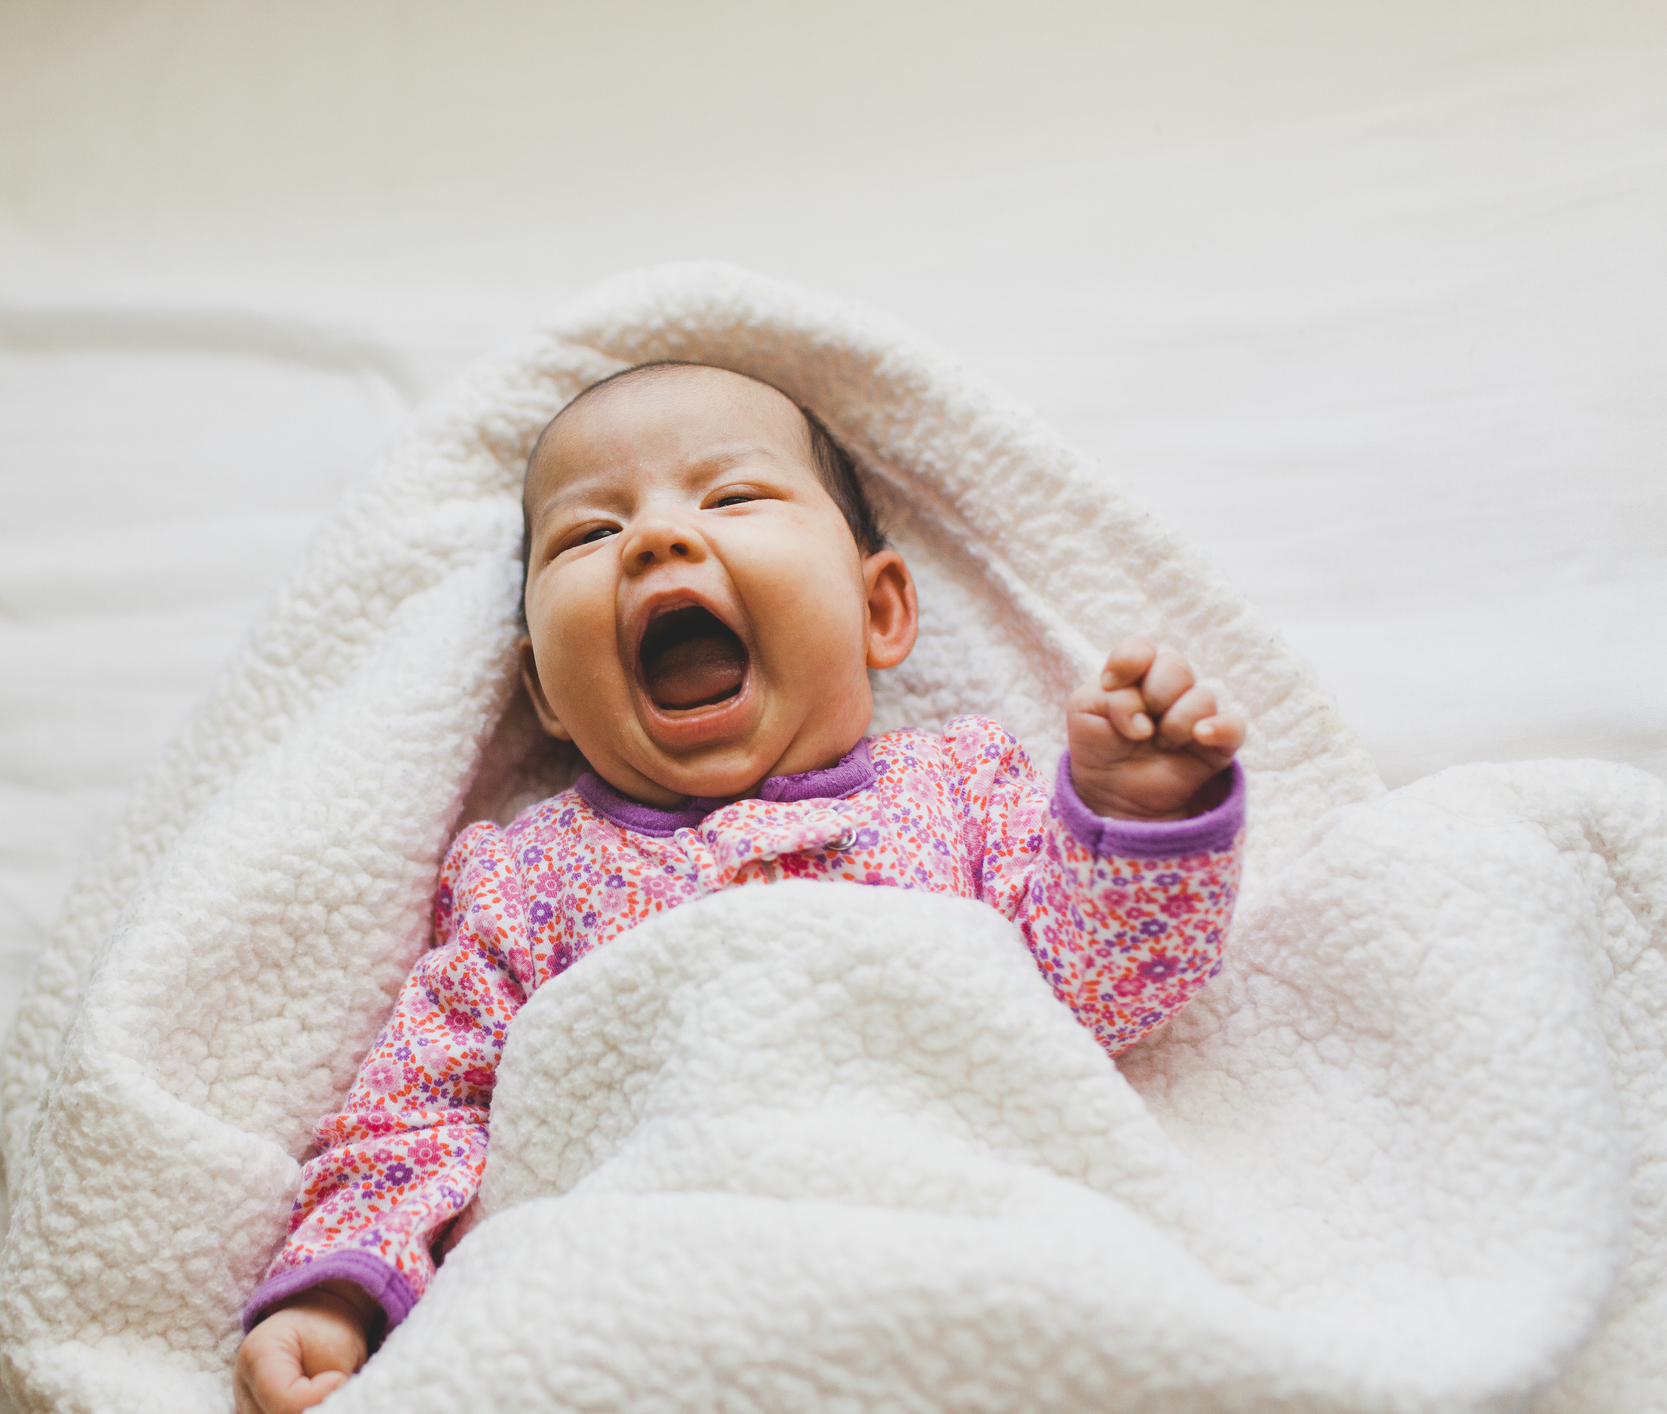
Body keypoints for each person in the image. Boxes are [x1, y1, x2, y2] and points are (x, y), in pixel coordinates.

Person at [233, 362, 1247, 1414]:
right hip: (633, 1275)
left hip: (950, 1221)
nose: (656, 539)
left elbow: (1103, 993)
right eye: (586, 535)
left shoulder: (961, 790)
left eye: (732, 497)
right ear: (543, 691)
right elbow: (419, 1105)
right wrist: (344, 1284)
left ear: (880, 607)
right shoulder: (523, 879)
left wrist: (1137, 813)